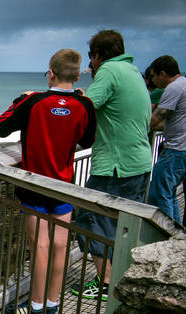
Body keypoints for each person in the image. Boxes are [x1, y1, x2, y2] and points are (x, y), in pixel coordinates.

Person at [0, 48, 96, 314]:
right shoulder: (84, 105)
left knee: (39, 246)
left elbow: (1, 126)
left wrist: (21, 98)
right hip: (64, 184)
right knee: (61, 245)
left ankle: (36, 307)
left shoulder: (34, 102)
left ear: (51, 73)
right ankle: (53, 304)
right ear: (77, 76)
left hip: (34, 186)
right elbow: (87, 141)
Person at [71, 30, 152, 302]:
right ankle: (120, 277)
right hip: (139, 162)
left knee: (89, 218)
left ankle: (106, 284)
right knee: (124, 226)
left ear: (97, 56)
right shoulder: (133, 73)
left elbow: (84, 110)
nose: (91, 66)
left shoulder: (109, 71)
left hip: (116, 166)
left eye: (92, 60)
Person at [147, 55, 186, 225]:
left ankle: (165, 236)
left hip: (176, 149)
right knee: (169, 194)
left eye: (154, 76)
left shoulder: (173, 88)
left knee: (159, 193)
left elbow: (154, 120)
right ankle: (176, 234)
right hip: (182, 148)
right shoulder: (184, 83)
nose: (153, 82)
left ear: (162, 73)